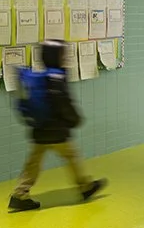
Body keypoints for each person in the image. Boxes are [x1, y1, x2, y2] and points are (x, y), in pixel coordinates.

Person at [8, 40, 107, 212]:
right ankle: (85, 187)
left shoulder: (41, 76)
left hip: (39, 129)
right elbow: (63, 103)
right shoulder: (56, 78)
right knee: (71, 156)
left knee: (33, 163)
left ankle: (19, 194)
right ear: (56, 56)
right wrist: (74, 119)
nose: (65, 57)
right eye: (63, 54)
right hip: (56, 131)